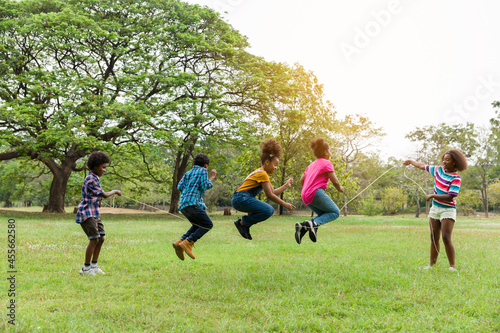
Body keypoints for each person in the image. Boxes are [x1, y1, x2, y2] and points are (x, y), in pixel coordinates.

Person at [403, 149, 468, 271]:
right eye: (444, 158)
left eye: (448, 160)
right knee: (433, 237)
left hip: (448, 209)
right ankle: (432, 265)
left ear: (455, 162)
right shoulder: (438, 170)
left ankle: (452, 267)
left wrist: (433, 196)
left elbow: (451, 196)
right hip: (435, 209)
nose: (444, 161)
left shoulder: (456, 178)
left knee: (446, 237)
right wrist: (411, 161)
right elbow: (422, 166)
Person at [232, 138, 295, 240]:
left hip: (240, 198)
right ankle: (242, 223)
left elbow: (273, 192)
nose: (275, 168)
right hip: (241, 198)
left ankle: (245, 225)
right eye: (275, 165)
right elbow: (270, 195)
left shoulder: (262, 173)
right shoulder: (262, 174)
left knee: (266, 209)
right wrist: (284, 204)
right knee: (268, 210)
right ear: (267, 162)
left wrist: (286, 185)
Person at [76, 151, 121, 276]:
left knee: (101, 238)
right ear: (95, 166)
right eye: (103, 167)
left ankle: (94, 266)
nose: (104, 170)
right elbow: (105, 194)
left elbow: (96, 195)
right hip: (87, 213)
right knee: (94, 239)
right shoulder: (91, 179)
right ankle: (85, 269)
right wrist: (115, 191)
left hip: (94, 212)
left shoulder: (96, 178)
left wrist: (98, 201)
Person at [295, 138, 344, 244]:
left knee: (324, 214)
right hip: (315, 193)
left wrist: (307, 189)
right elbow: (335, 181)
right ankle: (313, 224)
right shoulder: (327, 163)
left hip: (305, 196)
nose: (330, 153)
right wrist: (340, 188)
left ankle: (303, 226)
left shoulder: (311, 165)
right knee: (335, 212)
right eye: (330, 150)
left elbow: (301, 180)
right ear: (326, 152)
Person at [172, 153, 217, 260]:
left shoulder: (188, 173)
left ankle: (180, 242)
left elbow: (180, 186)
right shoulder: (203, 171)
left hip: (183, 205)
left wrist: (189, 191)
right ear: (206, 165)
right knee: (208, 224)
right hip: (193, 203)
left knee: (197, 224)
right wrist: (212, 177)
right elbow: (204, 185)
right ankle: (188, 242)